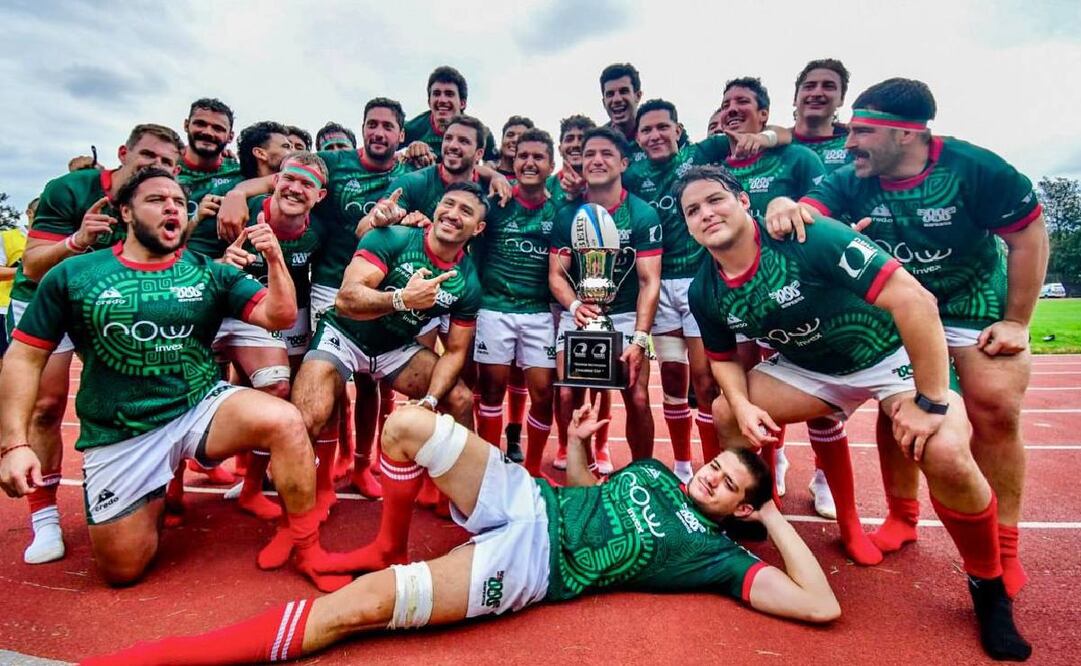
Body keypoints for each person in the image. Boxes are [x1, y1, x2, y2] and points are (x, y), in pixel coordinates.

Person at [82, 395, 842, 666]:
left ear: (740, 508)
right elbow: (587, 493)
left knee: (356, 611)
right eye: (714, 466)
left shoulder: (715, 557)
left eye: (728, 485)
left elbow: (819, 607)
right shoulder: (654, 475)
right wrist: (578, 443)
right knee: (410, 426)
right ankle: (386, 536)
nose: (708, 476)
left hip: (531, 567)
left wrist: (770, 513)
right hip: (531, 496)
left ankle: (140, 660)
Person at [681, 165, 1030, 661]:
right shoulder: (704, 288)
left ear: (742, 200)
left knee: (946, 451)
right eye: (692, 210)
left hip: (889, 357)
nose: (705, 213)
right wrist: (740, 404)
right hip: (811, 370)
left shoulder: (805, 235)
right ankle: (751, 515)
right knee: (725, 413)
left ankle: (988, 587)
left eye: (714, 200)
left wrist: (930, 401)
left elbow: (914, 299)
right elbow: (722, 363)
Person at [0, 167, 347, 592]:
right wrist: (14, 444)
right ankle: (152, 494)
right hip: (122, 430)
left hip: (198, 405)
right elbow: (23, 359)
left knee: (287, 420)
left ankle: (308, 547)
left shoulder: (209, 272)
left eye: (180, 203)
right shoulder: (73, 276)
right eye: (157, 200)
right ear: (125, 212)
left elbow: (278, 316)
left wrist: (274, 258)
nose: (172, 208)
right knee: (122, 570)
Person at [769, 77, 1049, 601]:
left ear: (906, 134)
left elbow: (1028, 236)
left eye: (863, 131)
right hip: (898, 302)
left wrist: (1017, 320)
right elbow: (810, 210)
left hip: (970, 302)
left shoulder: (977, 169)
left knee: (994, 409)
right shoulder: (852, 176)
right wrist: (785, 204)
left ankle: (1004, 547)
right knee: (896, 410)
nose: (849, 143)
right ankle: (903, 514)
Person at [5, 124, 184, 565]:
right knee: (47, 406)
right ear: (123, 153)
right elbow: (31, 262)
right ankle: (44, 518)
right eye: (147, 156)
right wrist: (78, 241)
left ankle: (141, 490)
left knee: (136, 390)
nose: (155, 168)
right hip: (47, 300)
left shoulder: (158, 199)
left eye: (166, 164)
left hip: (108, 303)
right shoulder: (71, 189)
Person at [288, 181, 485, 574]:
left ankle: (471, 498)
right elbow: (347, 298)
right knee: (304, 418)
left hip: (395, 348)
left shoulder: (468, 280)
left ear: (477, 229)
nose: (453, 214)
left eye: (466, 211)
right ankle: (293, 527)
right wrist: (402, 300)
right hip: (345, 335)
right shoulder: (393, 237)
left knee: (460, 400)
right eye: (448, 204)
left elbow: (458, 351)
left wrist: (430, 401)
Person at [712, 76, 853, 528]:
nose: (734, 109)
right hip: (735, 289)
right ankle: (768, 473)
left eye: (744, 103)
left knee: (817, 391)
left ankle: (825, 479)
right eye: (727, 103)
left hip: (794, 289)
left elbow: (820, 207)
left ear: (766, 114)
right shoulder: (713, 158)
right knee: (751, 387)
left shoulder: (796, 156)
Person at [213, 153, 330, 521]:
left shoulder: (318, 231)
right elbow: (187, 257)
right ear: (276, 180)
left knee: (280, 390)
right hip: (219, 308)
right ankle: (173, 489)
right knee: (198, 390)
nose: (296, 189)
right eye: (290, 179)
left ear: (320, 196)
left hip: (280, 310)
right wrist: (219, 263)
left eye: (307, 184)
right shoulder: (239, 211)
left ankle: (252, 484)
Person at [623, 98, 731, 483]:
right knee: (672, 376)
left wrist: (765, 134)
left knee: (705, 381)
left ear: (678, 129)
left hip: (698, 281)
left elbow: (755, 138)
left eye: (661, 127)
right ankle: (683, 465)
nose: (655, 136)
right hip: (658, 284)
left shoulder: (701, 154)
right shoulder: (632, 172)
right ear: (637, 138)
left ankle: (712, 463)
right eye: (646, 130)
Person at [548, 126, 662, 470]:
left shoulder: (642, 214)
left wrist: (641, 338)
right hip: (579, 312)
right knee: (566, 392)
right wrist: (574, 306)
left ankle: (643, 471)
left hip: (627, 315)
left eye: (607, 154)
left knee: (638, 397)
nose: (597, 160)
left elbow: (649, 280)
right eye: (590, 154)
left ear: (624, 163)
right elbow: (556, 274)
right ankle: (574, 460)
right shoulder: (567, 215)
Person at [473, 128, 558, 475]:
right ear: (513, 161)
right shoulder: (495, 205)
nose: (529, 163)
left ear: (551, 165)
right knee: (491, 392)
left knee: (543, 394)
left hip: (539, 313)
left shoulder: (561, 210)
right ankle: (492, 467)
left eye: (538, 157)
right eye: (523, 156)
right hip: (495, 309)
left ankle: (533, 471)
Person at [402, 65, 499, 166]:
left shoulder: (482, 133)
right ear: (429, 102)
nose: (442, 100)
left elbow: (495, 163)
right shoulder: (412, 127)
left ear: (462, 103)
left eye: (449, 94)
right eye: (436, 93)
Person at [177, 98, 242, 224]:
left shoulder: (238, 173)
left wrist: (241, 193)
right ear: (186, 125)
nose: (208, 132)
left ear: (230, 137)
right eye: (200, 124)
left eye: (218, 128)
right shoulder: (165, 165)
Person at [790, 59, 853, 173]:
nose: (817, 93)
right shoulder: (772, 145)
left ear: (841, 99)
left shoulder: (854, 144)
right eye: (809, 86)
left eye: (828, 86)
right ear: (795, 98)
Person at [491, 115, 534, 181]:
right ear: (502, 140)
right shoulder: (482, 174)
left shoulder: (536, 179)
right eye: (510, 135)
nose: (515, 140)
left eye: (521, 137)